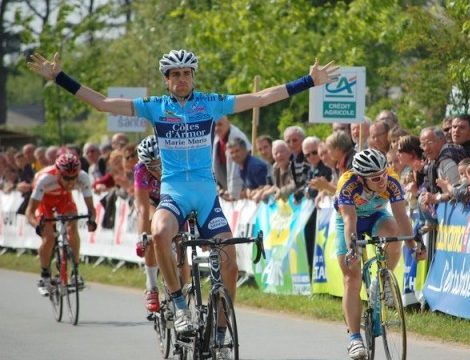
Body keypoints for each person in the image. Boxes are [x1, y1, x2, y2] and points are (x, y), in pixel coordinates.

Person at [28, 50, 338, 337]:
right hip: (174, 193)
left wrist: (308, 81)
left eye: (186, 73)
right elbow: (103, 103)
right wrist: (59, 78)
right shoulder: (155, 107)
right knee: (160, 233)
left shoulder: (210, 103)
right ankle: (177, 304)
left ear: (193, 76)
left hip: (206, 196)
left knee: (230, 262)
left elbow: (259, 97)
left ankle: (219, 331)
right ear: (166, 80)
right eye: (174, 74)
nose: (181, 79)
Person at [334, 149, 423, 359]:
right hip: (349, 220)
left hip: (376, 216)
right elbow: (349, 222)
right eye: (375, 178)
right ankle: (355, 339)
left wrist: (412, 245)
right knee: (351, 278)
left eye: (383, 173)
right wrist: (351, 249)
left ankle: (382, 280)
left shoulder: (391, 180)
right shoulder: (348, 184)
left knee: (393, 233)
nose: (382, 180)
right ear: (361, 177)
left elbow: (401, 217)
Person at [25, 153, 97, 295]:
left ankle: (75, 271)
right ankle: (45, 276)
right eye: (66, 177)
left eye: (73, 177)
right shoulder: (44, 179)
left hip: (64, 198)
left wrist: (92, 220)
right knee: (49, 237)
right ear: (57, 172)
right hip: (44, 201)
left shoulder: (83, 177)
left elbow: (91, 208)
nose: (70, 182)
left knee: (72, 229)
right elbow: (29, 211)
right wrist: (36, 225)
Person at [133, 135, 163, 314]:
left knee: (181, 241)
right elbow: (143, 209)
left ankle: (184, 289)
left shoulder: (175, 162)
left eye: (161, 164)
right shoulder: (140, 170)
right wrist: (141, 237)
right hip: (152, 201)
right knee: (153, 227)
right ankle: (151, 286)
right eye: (152, 166)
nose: (158, 170)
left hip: (172, 199)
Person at [213, 115, 251, 201]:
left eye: (220, 124)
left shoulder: (237, 137)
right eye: (215, 125)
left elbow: (239, 166)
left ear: (228, 124)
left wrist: (234, 193)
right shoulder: (217, 138)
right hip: (225, 189)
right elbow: (215, 165)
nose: (217, 128)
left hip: (242, 188)